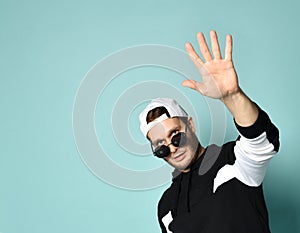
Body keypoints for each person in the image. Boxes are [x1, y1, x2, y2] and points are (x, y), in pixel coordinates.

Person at [138, 30, 280, 233]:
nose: (172, 149)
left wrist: (232, 96)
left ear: (191, 125)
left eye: (176, 136)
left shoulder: (233, 162)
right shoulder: (166, 207)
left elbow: (262, 141)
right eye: (161, 147)